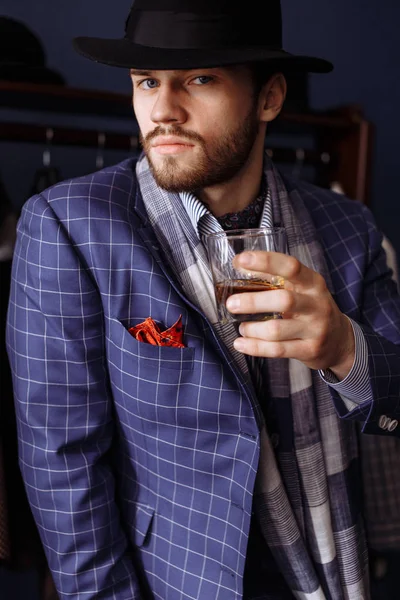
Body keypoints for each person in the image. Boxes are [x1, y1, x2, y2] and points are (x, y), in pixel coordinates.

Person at [6, 1, 400, 599]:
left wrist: (347, 350)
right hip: (171, 577)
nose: (162, 110)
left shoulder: (348, 227)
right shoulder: (69, 225)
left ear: (269, 98)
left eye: (199, 80)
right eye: (146, 83)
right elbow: (62, 464)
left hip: (326, 570)